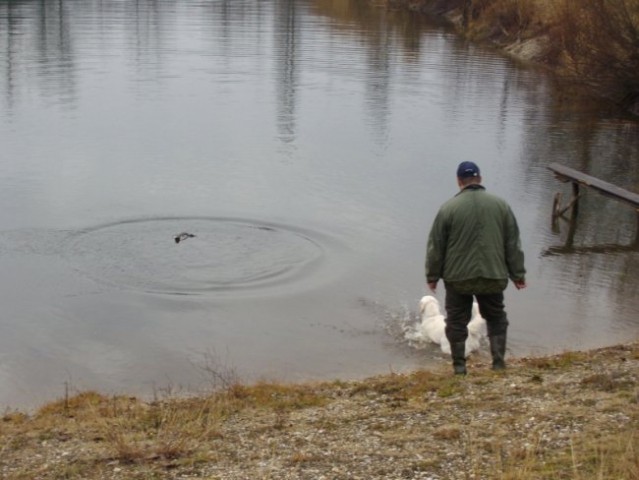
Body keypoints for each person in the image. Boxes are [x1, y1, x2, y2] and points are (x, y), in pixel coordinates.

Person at [425, 161, 526, 375]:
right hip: (492, 274)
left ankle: (460, 368)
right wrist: (518, 274)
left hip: (458, 278)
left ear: (459, 181)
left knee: (456, 321)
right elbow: (512, 243)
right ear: (480, 179)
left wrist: (432, 276)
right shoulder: (501, 205)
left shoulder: (448, 209)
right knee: (496, 317)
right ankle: (498, 363)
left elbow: (436, 246)